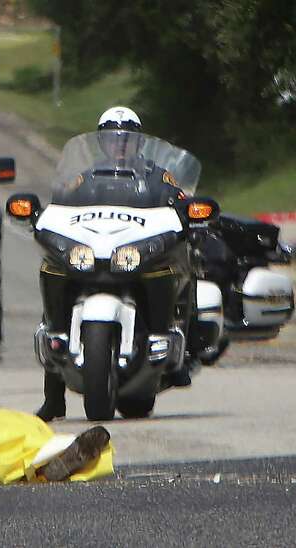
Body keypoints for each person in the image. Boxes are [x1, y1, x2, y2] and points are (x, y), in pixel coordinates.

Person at [36, 106, 193, 423]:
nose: (119, 144)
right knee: (55, 270)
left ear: (138, 141)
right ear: (101, 142)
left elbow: (179, 199)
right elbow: (61, 201)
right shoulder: (85, 177)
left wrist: (188, 210)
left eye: (127, 138)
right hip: (94, 251)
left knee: (178, 266)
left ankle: (178, 350)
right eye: (111, 137)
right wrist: (46, 214)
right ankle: (53, 397)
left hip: (136, 251)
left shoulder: (157, 176)